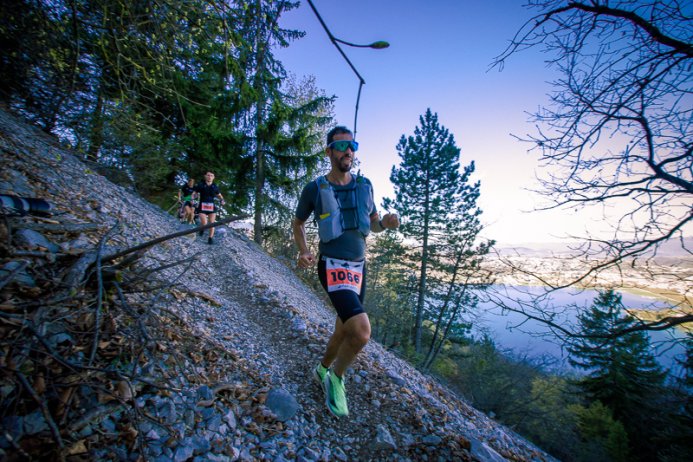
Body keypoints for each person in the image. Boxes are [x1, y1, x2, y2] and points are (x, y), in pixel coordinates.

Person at [292, 126, 399, 417]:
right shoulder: (315, 188)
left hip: (359, 268)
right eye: (341, 146)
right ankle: (336, 377)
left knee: (343, 329)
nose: (348, 151)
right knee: (361, 332)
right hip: (332, 265)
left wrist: (385, 223)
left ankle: (321, 369)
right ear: (329, 152)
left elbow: (373, 224)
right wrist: (303, 251)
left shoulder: (365, 185)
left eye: (352, 146)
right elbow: (298, 223)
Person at [194, 171, 225, 245]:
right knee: (204, 223)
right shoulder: (201, 185)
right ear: (205, 176)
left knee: (212, 223)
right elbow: (194, 193)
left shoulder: (215, 186)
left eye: (211, 175)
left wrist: (222, 200)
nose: (209, 177)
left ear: (213, 177)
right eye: (208, 175)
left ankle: (210, 238)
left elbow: (219, 195)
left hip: (211, 207)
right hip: (202, 206)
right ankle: (202, 229)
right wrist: (193, 198)